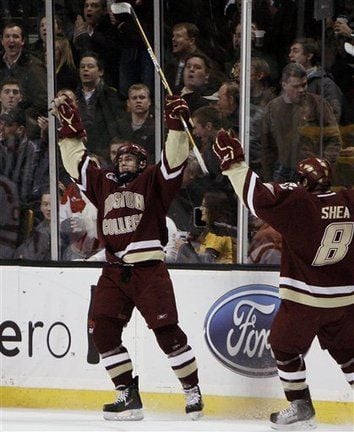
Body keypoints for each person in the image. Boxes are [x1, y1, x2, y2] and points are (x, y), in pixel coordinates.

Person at [51, 93, 204, 420]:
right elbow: (77, 162)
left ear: (142, 163)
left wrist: (176, 127)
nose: (123, 162)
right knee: (102, 332)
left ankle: (191, 389)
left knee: (167, 334)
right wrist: (69, 132)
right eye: (120, 158)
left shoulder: (152, 183)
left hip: (149, 270)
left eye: (130, 158)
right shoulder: (103, 184)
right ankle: (126, 393)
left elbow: (173, 161)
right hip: (114, 271)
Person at [212, 129, 354, 430]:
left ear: (304, 182)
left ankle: (301, 406)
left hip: (306, 300)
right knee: (350, 355)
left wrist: (235, 165)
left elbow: (257, 198)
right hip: (345, 300)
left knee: (284, 347)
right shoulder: (349, 199)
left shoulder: (300, 203)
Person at [261, 63, 342, 183]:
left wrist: (324, 165)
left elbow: (334, 138)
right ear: (284, 85)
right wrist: (268, 179)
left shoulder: (318, 104)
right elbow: (267, 146)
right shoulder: (273, 108)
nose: (301, 90)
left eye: (304, 85)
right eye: (296, 86)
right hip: (283, 170)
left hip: (312, 170)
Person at [176, 190, 236, 264]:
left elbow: (205, 263)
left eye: (204, 206)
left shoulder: (219, 235)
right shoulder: (209, 234)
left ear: (213, 210)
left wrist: (185, 246)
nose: (200, 209)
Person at [0, 22, 47, 113]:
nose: (11, 40)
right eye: (7, 36)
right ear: (2, 41)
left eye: (15, 36)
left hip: (24, 121)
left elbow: (42, 101)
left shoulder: (34, 66)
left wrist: (20, 117)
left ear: (23, 41)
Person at [115, 83, 155, 163]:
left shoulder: (156, 127)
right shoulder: (118, 126)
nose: (138, 101)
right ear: (128, 103)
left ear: (149, 102)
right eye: (134, 98)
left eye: (142, 97)